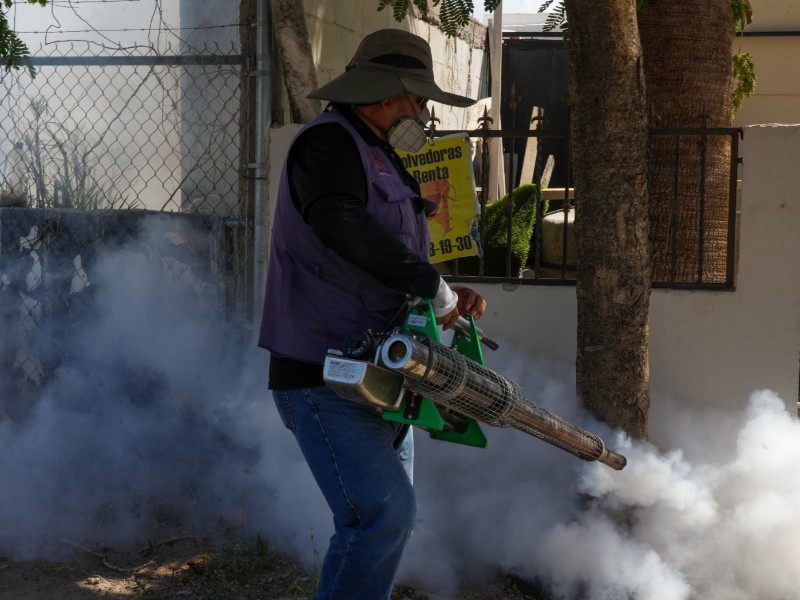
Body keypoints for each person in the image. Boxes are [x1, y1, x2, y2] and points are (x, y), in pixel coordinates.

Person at [258, 28, 487, 600]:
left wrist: (442, 293)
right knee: (382, 517)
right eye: (418, 99)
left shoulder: (379, 150)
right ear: (387, 93)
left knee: (386, 521)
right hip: (324, 372)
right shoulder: (327, 145)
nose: (422, 111)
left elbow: (384, 258)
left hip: (383, 373)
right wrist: (427, 283)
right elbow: (340, 223)